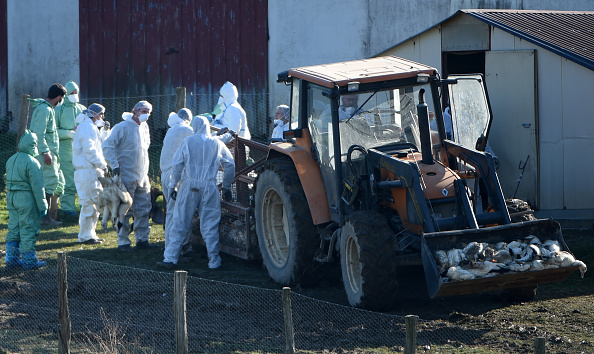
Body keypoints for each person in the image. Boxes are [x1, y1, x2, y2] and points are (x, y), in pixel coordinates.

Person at [157, 115, 235, 270]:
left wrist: (173, 186)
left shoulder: (188, 141)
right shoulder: (217, 143)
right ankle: (214, 261)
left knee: (180, 222)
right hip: (210, 187)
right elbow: (230, 165)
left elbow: (177, 165)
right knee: (210, 224)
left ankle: (170, 259)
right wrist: (226, 187)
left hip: (189, 185)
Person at [103, 100, 158, 252]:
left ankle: (142, 239)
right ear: (135, 111)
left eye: (148, 112)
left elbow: (144, 148)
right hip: (125, 174)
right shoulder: (122, 127)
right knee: (124, 209)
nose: (145, 114)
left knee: (144, 208)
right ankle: (123, 241)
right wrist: (114, 166)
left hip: (142, 175)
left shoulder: (144, 127)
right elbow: (107, 146)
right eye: (143, 111)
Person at [4, 130, 48, 269]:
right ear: (33, 145)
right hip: (26, 198)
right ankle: (30, 261)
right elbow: (38, 187)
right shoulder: (32, 162)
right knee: (28, 228)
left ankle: (11, 259)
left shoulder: (12, 159)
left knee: (14, 227)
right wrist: (43, 205)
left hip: (11, 197)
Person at [29, 83, 67, 225]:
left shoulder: (46, 108)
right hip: (44, 153)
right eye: (62, 98)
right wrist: (45, 152)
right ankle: (44, 217)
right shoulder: (45, 110)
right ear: (58, 97)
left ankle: (49, 216)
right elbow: (39, 133)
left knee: (53, 181)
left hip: (49, 152)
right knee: (48, 182)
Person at [73, 104, 108, 244]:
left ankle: (90, 234)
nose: (103, 117)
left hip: (92, 170)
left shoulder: (91, 127)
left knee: (95, 203)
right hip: (87, 170)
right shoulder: (86, 127)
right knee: (89, 203)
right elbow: (90, 150)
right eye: (102, 114)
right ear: (94, 114)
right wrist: (102, 164)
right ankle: (85, 236)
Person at [160, 108, 194, 251]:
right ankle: (172, 248)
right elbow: (203, 138)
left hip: (166, 174)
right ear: (188, 119)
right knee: (176, 213)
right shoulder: (184, 129)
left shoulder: (172, 129)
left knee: (173, 211)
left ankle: (179, 245)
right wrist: (224, 134)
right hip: (175, 176)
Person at [55, 81, 87, 217]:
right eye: (71, 93)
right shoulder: (58, 110)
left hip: (81, 150)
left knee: (83, 180)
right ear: (65, 94)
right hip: (65, 151)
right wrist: (67, 133)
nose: (74, 95)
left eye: (76, 93)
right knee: (68, 181)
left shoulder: (83, 109)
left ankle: (84, 206)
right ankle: (68, 209)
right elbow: (52, 130)